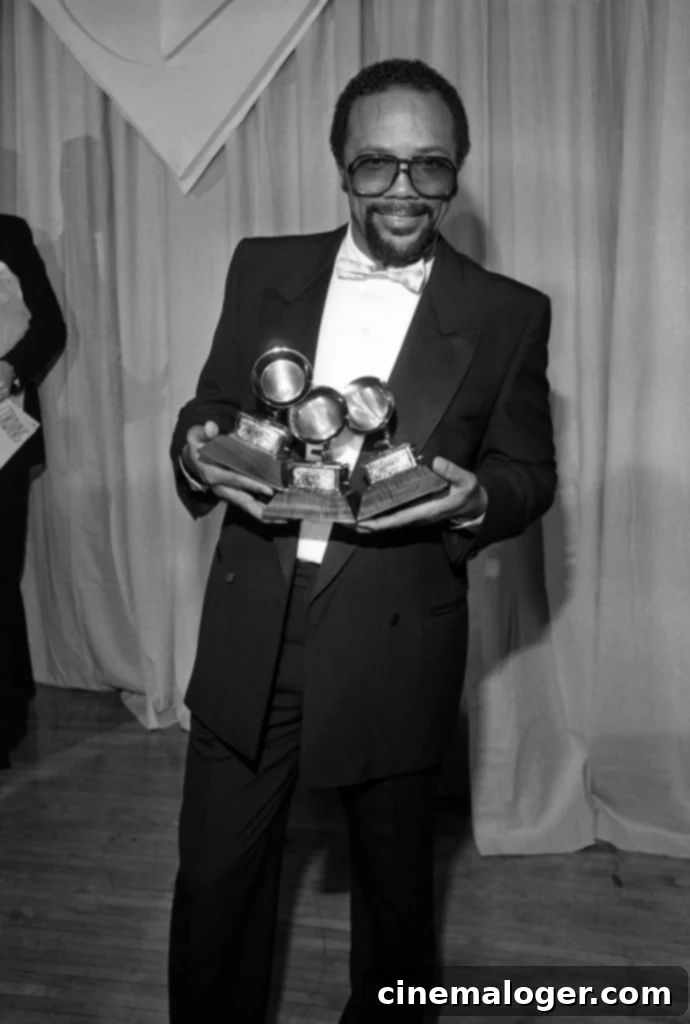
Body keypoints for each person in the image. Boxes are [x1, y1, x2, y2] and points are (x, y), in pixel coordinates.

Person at [169, 58, 557, 1023]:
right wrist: (193, 451)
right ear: (340, 165)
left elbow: (528, 474)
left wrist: (473, 501)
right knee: (214, 891)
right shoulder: (262, 264)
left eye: (428, 167)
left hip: (395, 637)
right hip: (254, 621)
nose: (401, 190)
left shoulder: (509, 312)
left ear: (457, 171)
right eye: (375, 164)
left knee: (394, 912)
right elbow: (214, 406)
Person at [0, 214, 66, 769]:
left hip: (1, 430)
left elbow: (50, 325)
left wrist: (9, 369)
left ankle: (6, 715)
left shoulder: (8, 233)